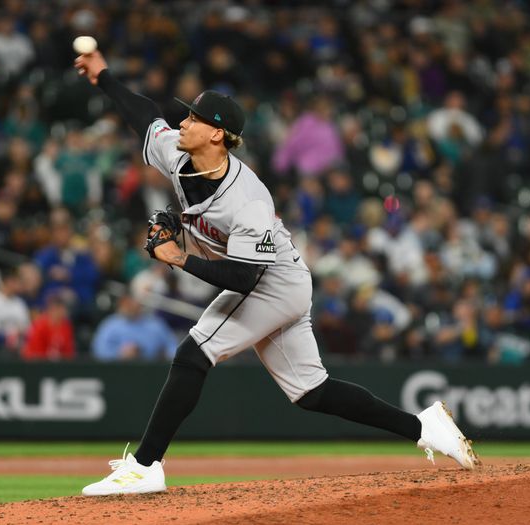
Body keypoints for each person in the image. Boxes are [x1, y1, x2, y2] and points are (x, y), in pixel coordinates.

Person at [74, 48, 480, 496]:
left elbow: (245, 279)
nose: (183, 123)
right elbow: (144, 114)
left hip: (271, 281)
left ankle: (146, 466)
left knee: (195, 353)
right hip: (277, 280)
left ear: (218, 135)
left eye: (193, 118)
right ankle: (424, 427)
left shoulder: (248, 200)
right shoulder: (176, 152)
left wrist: (178, 258)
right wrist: (104, 76)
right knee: (313, 392)